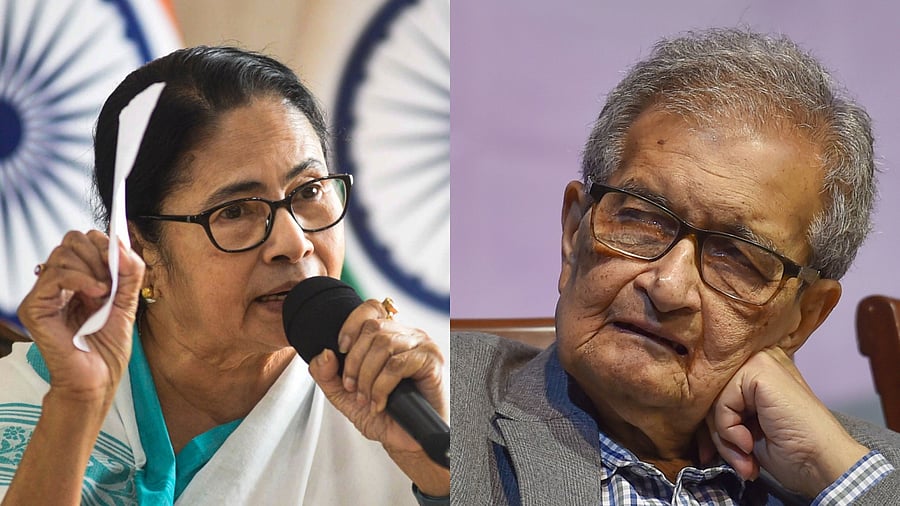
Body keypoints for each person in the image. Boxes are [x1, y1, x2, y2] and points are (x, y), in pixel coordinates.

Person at [450, 28, 900, 505]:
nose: (668, 286)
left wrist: (827, 471)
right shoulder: (442, 406)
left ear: (803, 318)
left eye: (737, 255)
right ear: (574, 232)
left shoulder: (859, 475)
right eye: (642, 218)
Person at [0, 46, 449, 505]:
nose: (294, 243)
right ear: (140, 248)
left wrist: (436, 475)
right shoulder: (25, 400)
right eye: (235, 211)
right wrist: (75, 404)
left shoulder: (403, 402)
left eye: (310, 190)